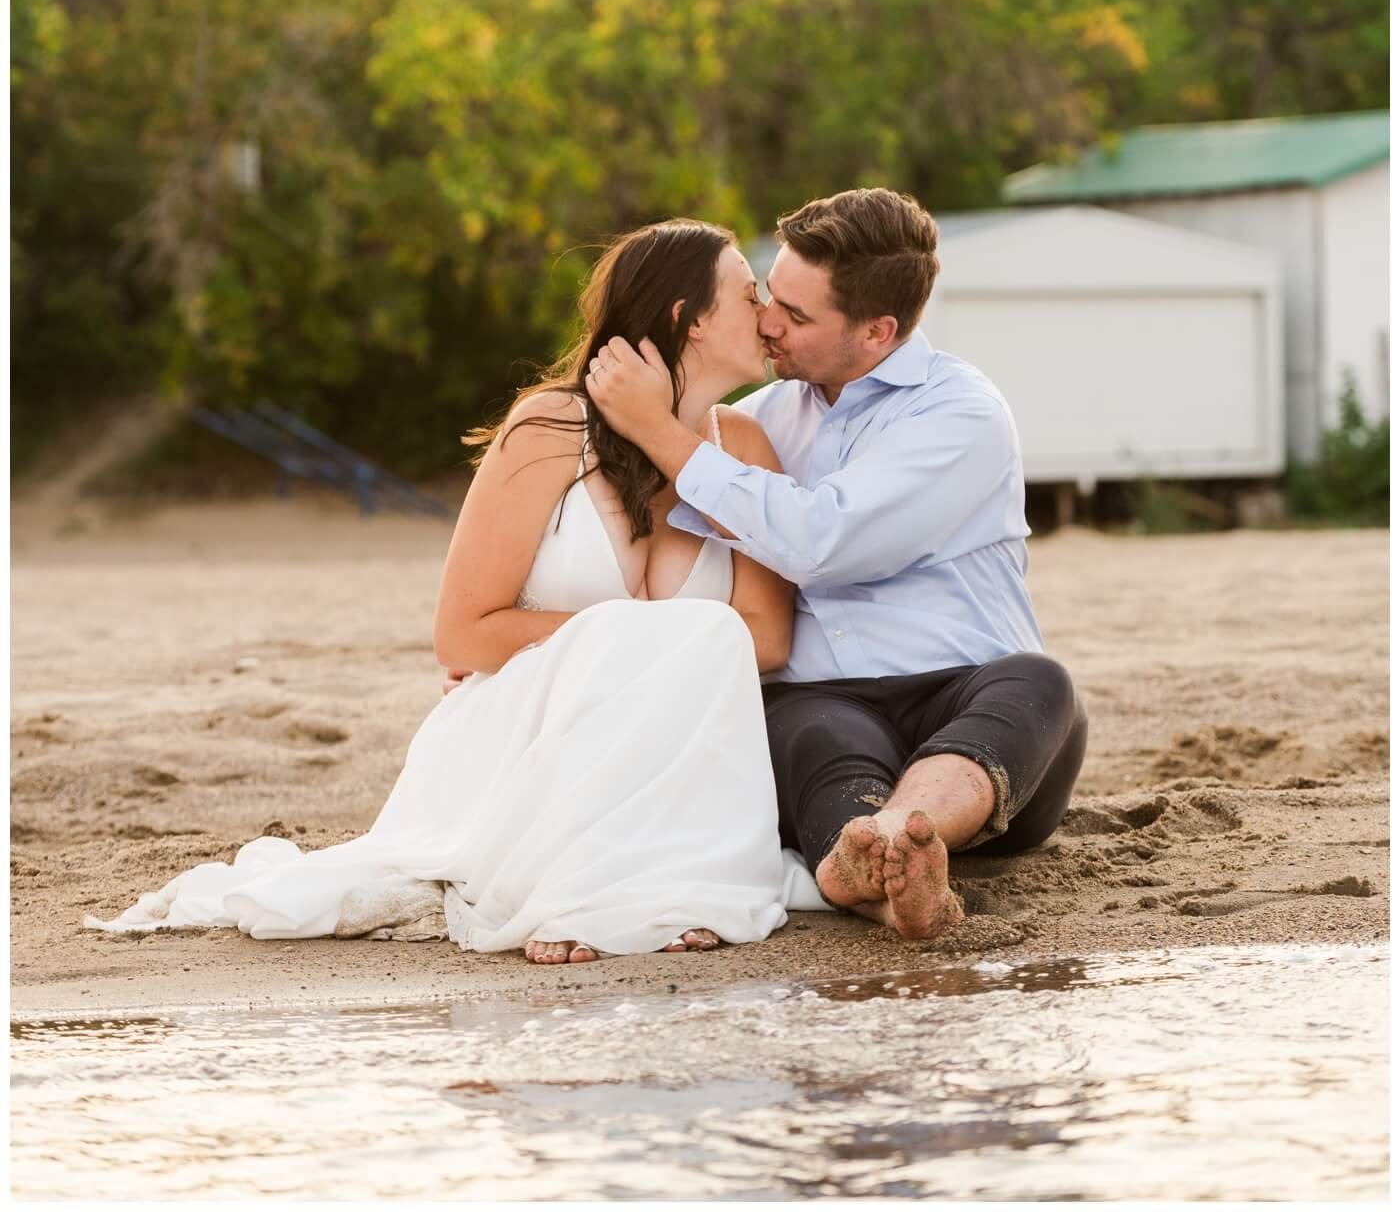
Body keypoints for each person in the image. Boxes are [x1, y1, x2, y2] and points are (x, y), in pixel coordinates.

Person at [87, 222, 826, 962]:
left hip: (671, 743)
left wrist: (629, 642)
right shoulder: (547, 429)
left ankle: (660, 886)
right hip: (528, 728)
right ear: (686, 317)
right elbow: (462, 633)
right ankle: (592, 891)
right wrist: (614, 643)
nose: (767, 313)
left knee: (705, 641)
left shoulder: (747, 450)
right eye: (749, 292)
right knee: (690, 634)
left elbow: (765, 635)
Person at [584, 187, 1088, 943]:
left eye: (797, 314)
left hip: (965, 691)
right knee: (805, 729)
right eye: (769, 296)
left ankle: (893, 836)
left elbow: (821, 540)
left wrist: (658, 428)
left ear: (878, 331)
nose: (767, 321)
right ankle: (891, 883)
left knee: (1041, 683)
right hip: (826, 700)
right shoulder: (757, 422)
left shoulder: (960, 413)